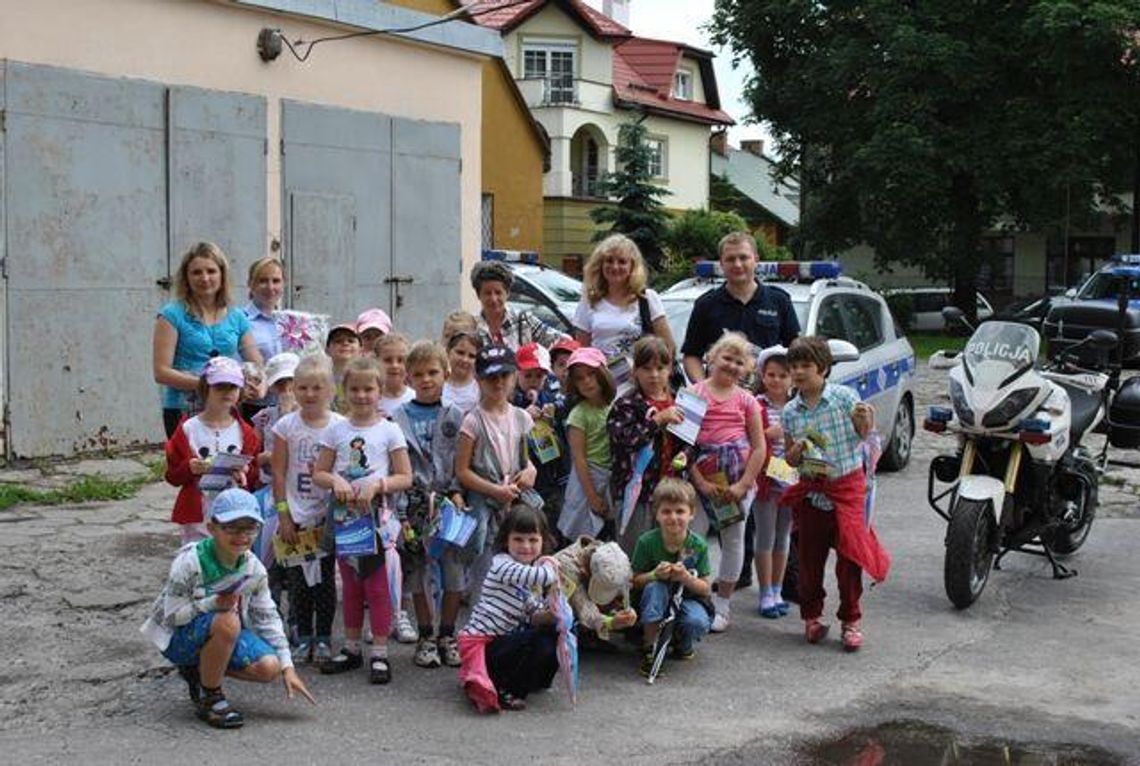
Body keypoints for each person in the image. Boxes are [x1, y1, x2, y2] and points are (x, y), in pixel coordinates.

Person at [680, 232, 801, 589]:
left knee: (780, 489)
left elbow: (796, 351)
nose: (737, 264)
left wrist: (785, 391)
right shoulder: (707, 304)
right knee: (730, 490)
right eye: (730, 259)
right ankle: (739, 571)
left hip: (769, 410)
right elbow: (690, 352)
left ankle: (782, 580)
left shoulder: (777, 301)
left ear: (755, 259)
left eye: (743, 258)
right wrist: (706, 390)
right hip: (724, 415)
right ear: (722, 264)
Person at [140, 487, 315, 729]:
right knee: (228, 620)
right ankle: (211, 696)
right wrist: (213, 604)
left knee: (269, 667)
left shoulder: (254, 568)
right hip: (178, 638)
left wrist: (288, 666)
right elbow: (173, 616)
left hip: (221, 633)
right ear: (212, 528)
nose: (242, 536)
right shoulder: (190, 562)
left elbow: (267, 617)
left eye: (250, 528)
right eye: (231, 527)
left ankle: (201, 672)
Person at [781, 336, 891, 652]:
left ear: (824, 368)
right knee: (809, 562)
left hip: (846, 489)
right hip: (812, 492)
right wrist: (796, 452)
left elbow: (865, 436)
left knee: (849, 562)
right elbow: (788, 459)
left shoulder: (844, 398)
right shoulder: (790, 411)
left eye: (806, 365)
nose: (799, 372)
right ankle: (812, 618)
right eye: (794, 366)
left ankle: (851, 621)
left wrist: (864, 422)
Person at [312, 357, 413, 683]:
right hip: (345, 519)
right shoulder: (336, 429)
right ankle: (352, 647)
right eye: (354, 389)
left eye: (368, 389)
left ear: (380, 390)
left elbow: (405, 477)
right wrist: (336, 481)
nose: (361, 395)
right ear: (344, 391)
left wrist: (378, 484)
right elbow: (320, 472)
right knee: (352, 585)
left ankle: (380, 652)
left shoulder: (390, 430)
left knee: (378, 586)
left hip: (377, 520)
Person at [389, 341, 467, 670]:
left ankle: (448, 634)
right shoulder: (397, 417)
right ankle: (425, 635)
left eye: (433, 372)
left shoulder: (456, 415)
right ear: (408, 379)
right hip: (414, 504)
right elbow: (395, 465)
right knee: (418, 572)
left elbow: (465, 459)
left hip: (449, 502)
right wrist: (400, 510)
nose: (426, 379)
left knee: (454, 572)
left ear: (446, 374)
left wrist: (459, 490)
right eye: (418, 374)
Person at [687, 332, 767, 633]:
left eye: (739, 362)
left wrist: (743, 485)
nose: (732, 365)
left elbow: (759, 447)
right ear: (710, 358)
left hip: (735, 486)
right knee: (693, 540)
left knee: (734, 542)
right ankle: (695, 596)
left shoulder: (747, 401)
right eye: (727, 358)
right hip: (701, 483)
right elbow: (685, 444)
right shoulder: (693, 393)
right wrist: (700, 482)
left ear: (746, 369)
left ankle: (723, 604)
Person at [270, 354, 346, 667]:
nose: (310, 394)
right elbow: (277, 473)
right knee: (298, 583)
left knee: (325, 582)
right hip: (296, 519)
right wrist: (283, 515)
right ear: (294, 389)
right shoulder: (285, 426)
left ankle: (325, 637)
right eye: (302, 387)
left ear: (330, 390)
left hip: (326, 518)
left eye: (317, 387)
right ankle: (302, 637)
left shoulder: (340, 426)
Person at [454, 345, 539, 598]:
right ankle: (481, 620)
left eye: (505, 375)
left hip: (514, 497)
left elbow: (527, 458)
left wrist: (530, 472)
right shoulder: (472, 421)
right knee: (484, 556)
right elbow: (462, 470)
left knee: (519, 558)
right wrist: (494, 490)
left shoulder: (522, 418)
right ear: (479, 380)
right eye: (491, 377)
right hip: (486, 497)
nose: (499, 382)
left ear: (514, 377)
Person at [153, 242, 262, 438]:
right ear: (186, 277)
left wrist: (257, 383)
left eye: (211, 271)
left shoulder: (237, 316)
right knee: (189, 466)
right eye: (196, 272)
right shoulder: (171, 315)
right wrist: (209, 384)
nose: (205, 278)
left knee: (227, 465)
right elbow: (161, 372)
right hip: (182, 407)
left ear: (222, 275)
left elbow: (256, 362)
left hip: (227, 407)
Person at [458, 505, 560, 713]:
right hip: (482, 643)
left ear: (542, 541)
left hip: (502, 641)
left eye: (533, 540)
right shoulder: (502, 565)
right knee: (530, 640)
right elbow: (545, 575)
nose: (526, 546)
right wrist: (551, 563)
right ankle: (504, 688)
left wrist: (554, 614)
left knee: (553, 632)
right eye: (518, 539)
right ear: (506, 540)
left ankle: (533, 680)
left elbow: (534, 615)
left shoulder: (528, 576)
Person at [165, 357, 261, 545]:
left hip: (234, 513)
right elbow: (172, 475)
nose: (226, 392)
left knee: (231, 564)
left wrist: (245, 473)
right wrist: (189, 468)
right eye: (219, 387)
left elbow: (255, 477)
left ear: (240, 391)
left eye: (232, 387)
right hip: (197, 513)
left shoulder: (247, 433)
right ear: (205, 388)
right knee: (198, 563)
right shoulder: (188, 429)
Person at [607, 336, 685, 554]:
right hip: (637, 493)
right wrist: (657, 420)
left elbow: (689, 442)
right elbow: (625, 441)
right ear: (635, 371)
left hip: (670, 492)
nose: (654, 375)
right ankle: (634, 588)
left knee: (668, 551)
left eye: (660, 368)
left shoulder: (679, 402)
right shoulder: (626, 404)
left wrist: (685, 457)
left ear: (669, 369)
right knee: (634, 552)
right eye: (646, 368)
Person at [631, 479, 713, 677]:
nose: (673, 517)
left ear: (691, 513)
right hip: (653, 599)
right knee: (655, 588)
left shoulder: (698, 545)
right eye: (666, 511)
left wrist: (686, 578)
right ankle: (649, 646)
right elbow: (633, 581)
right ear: (657, 515)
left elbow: (705, 588)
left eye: (680, 511)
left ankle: (681, 641)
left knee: (697, 621)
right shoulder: (646, 542)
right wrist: (654, 575)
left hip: (687, 599)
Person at [573, 234, 675, 361]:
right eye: (609, 261)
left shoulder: (647, 299)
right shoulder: (589, 301)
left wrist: (660, 375)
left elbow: (668, 347)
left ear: (632, 266)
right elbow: (582, 352)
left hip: (640, 379)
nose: (615, 267)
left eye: (622, 262)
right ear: (600, 264)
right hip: (602, 378)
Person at [511, 343, 570, 541]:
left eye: (539, 376)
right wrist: (522, 416)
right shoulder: (511, 401)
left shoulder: (551, 399)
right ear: (517, 374)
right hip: (523, 477)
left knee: (553, 526)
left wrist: (551, 419)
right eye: (528, 376)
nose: (533, 381)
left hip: (552, 473)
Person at [558, 347, 617, 542]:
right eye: (580, 378)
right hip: (588, 477)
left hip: (611, 475)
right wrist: (591, 495)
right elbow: (579, 458)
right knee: (585, 534)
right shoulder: (579, 414)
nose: (587, 381)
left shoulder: (614, 406)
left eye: (592, 374)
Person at [752, 345, 793, 618]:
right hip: (766, 480)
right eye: (771, 374)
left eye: (782, 375)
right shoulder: (757, 405)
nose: (776, 380)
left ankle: (778, 588)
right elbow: (750, 438)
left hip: (791, 479)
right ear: (763, 376)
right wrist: (768, 433)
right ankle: (765, 590)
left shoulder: (796, 406)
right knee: (764, 537)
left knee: (783, 537)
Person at [553, 537, 637, 643]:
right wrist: (611, 622)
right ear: (586, 572)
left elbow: (624, 585)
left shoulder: (608, 554)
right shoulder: (565, 566)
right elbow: (583, 607)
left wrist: (626, 608)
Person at [470, 261, 566, 351]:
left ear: (507, 293)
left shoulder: (523, 320)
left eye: (498, 293)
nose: (493, 299)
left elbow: (560, 340)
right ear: (479, 295)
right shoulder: (473, 327)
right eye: (487, 293)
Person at [241, 257, 287, 420]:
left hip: (289, 406)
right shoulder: (240, 321)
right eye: (263, 281)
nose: (270, 287)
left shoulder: (290, 323)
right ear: (251, 284)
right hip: (252, 407)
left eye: (276, 281)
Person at [251, 352, 300, 477]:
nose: (287, 388)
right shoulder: (264, 416)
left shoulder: (312, 414)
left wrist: (287, 413)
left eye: (291, 381)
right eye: (280, 384)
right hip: (270, 480)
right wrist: (265, 457)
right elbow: (251, 455)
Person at [375, 333, 414, 419]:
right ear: (376, 362)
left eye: (400, 360)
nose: (394, 365)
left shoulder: (415, 398)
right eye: (388, 360)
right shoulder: (370, 400)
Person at [325, 323, 362, 415]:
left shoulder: (369, 376)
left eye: (351, 341)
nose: (345, 343)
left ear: (361, 348)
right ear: (327, 350)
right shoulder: (321, 377)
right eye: (338, 341)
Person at [442, 330, 481, 413]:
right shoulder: (438, 382)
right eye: (460, 353)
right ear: (448, 351)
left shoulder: (480, 388)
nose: (465, 360)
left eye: (472, 356)